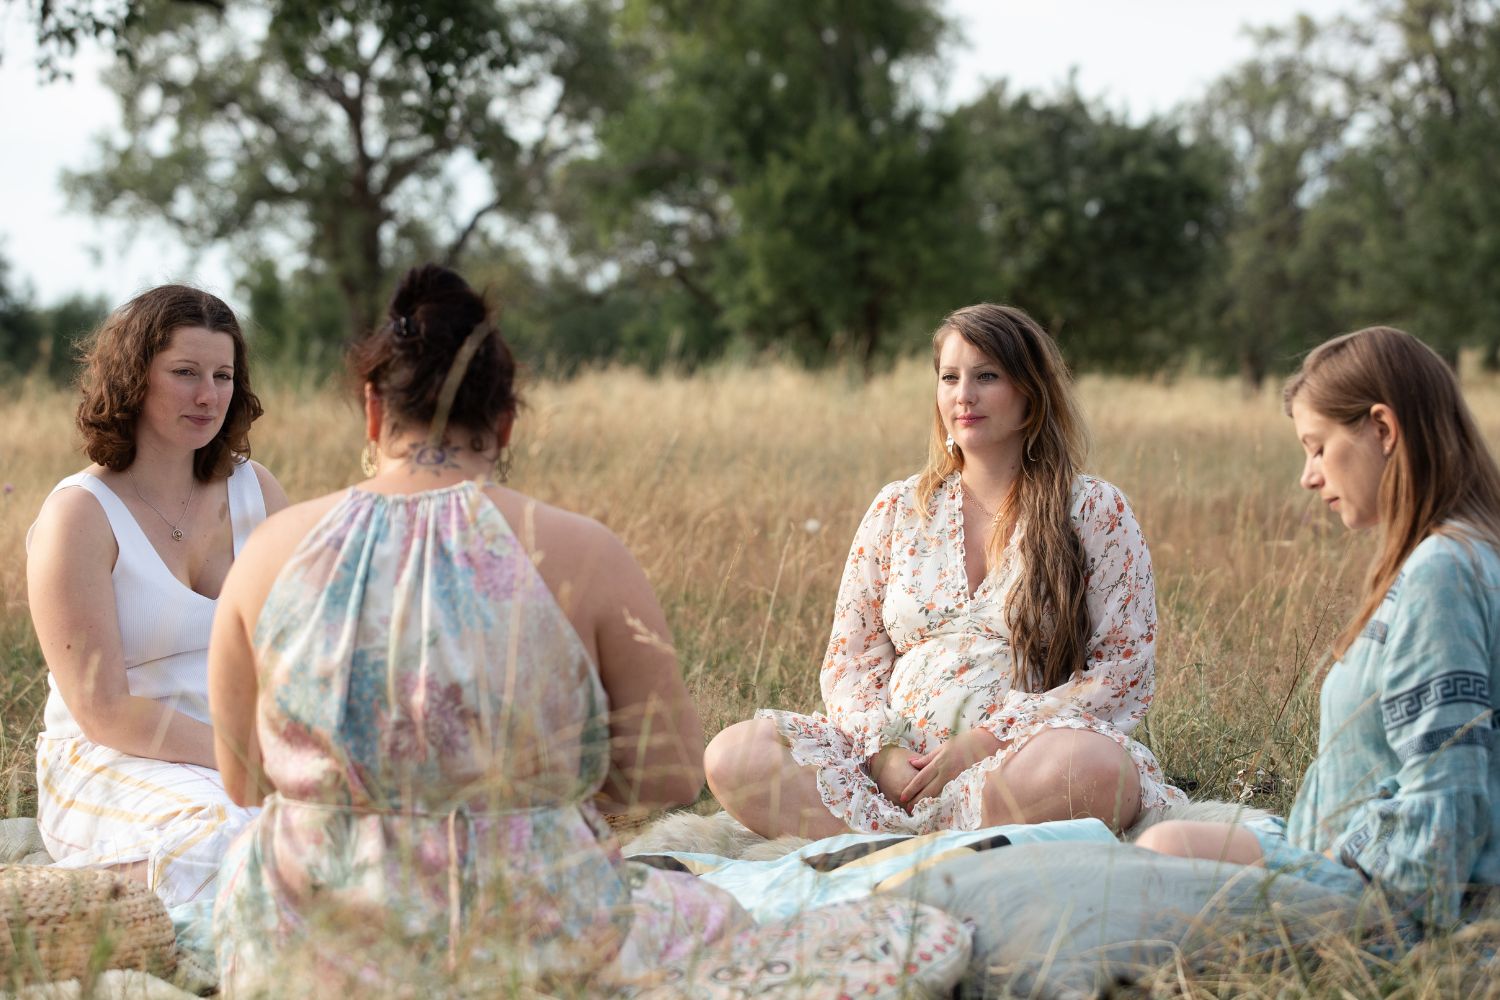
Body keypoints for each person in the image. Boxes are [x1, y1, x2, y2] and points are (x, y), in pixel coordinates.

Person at [207, 265, 753, 990]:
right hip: (528, 933)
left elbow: (243, 783)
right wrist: (538, 806)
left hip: (302, 947)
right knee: (731, 926)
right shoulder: (582, 551)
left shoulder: (272, 552)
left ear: (373, 411)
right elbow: (671, 770)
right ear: (505, 421)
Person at [706, 304, 1185, 839]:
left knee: (1095, 772)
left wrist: (988, 739)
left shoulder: (1093, 509)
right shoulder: (898, 509)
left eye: (987, 377)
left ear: (1031, 394)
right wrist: (883, 750)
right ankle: (911, 842)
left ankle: (908, 845)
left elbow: (1121, 668)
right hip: (891, 773)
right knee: (735, 755)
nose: (964, 396)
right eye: (950, 377)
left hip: (1015, 766)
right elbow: (851, 662)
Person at [1137, 326, 1500, 933]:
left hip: (1385, 899)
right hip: (1342, 860)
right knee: (1148, 844)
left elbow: (1447, 800)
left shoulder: (1444, 572)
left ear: (1383, 430)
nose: (1308, 476)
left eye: (1317, 446)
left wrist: (1332, 872)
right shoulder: (1452, 558)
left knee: (1160, 858)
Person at [26, 285, 288, 907]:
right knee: (229, 839)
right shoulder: (81, 516)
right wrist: (248, 759)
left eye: (223, 375)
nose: (208, 395)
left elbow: (296, 652)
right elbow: (104, 710)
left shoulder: (257, 491)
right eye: (185, 373)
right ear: (133, 379)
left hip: (245, 747)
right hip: (111, 758)